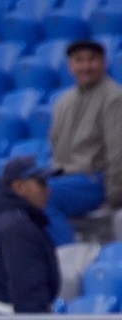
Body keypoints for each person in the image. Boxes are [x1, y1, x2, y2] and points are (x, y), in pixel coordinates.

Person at [0, 155, 61, 320]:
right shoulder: (19, 228)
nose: (48, 190)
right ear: (19, 187)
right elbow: (29, 294)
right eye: (41, 183)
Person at [45, 39, 122, 246]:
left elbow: (118, 152)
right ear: (70, 66)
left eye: (92, 60)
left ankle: (69, 257)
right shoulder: (62, 102)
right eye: (79, 60)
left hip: (96, 179)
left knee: (43, 195)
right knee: (15, 191)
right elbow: (55, 148)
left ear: (104, 62)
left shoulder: (114, 98)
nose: (85, 66)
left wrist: (115, 197)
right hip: (66, 178)